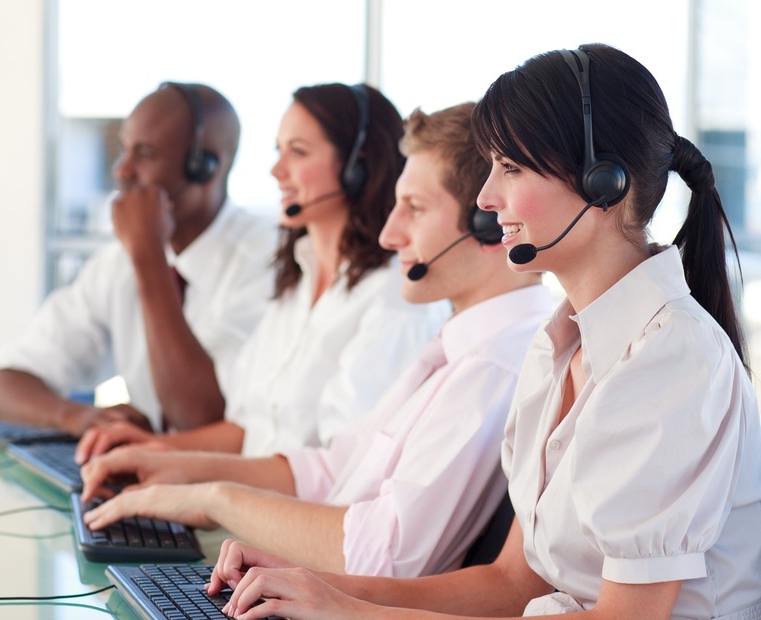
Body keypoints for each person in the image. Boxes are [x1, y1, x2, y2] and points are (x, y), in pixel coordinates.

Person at [202, 44, 761, 620]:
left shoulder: (672, 359)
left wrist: (348, 613)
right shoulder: (558, 347)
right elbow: (511, 583)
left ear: (603, 181)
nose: (485, 198)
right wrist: (309, 585)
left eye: (510, 168)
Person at [79, 102, 551, 577]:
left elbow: (382, 557)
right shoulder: (457, 347)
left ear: (490, 222)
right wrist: (182, 470)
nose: (392, 235)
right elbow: (332, 469)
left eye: (414, 208)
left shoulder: (494, 365)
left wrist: (214, 499)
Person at [74, 82, 449, 457]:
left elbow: (337, 474)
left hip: (281, 512)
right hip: (244, 503)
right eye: (278, 151)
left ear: (357, 166)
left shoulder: (392, 299)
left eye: (298, 152)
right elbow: (246, 432)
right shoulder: (295, 282)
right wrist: (151, 450)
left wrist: (200, 488)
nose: (276, 170)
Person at [0, 82, 277, 436]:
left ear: (205, 166)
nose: (122, 171)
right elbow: (2, 384)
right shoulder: (117, 262)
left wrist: (148, 255)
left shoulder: (266, 261)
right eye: (124, 149)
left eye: (146, 154)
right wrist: (78, 416)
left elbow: (202, 417)